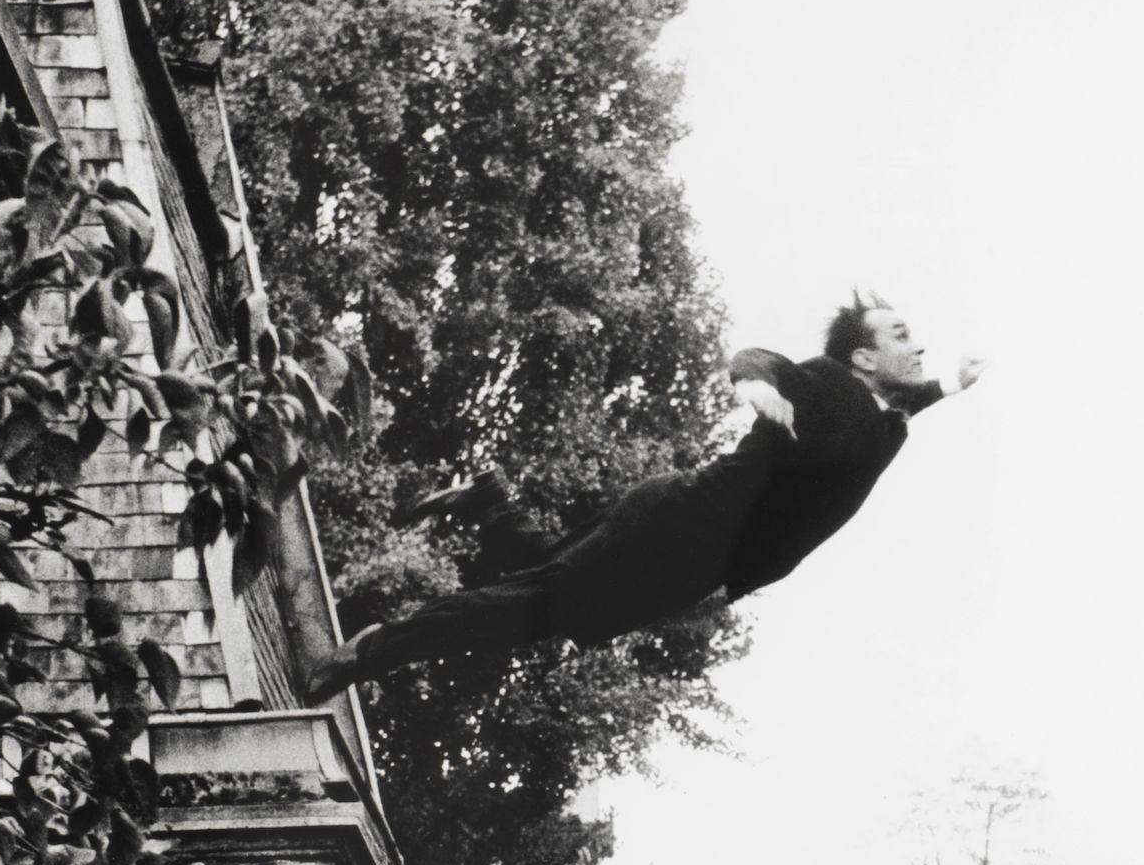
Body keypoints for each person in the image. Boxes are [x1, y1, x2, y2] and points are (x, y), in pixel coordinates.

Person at [301, 295, 983, 697]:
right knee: (538, 607)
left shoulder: (885, 423)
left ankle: (487, 499)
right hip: (681, 526)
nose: (917, 345)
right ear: (863, 358)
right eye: (901, 336)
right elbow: (763, 360)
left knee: (554, 587)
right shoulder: (832, 383)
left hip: (699, 560)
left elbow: (882, 424)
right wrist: (751, 385)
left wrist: (950, 385)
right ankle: (372, 650)